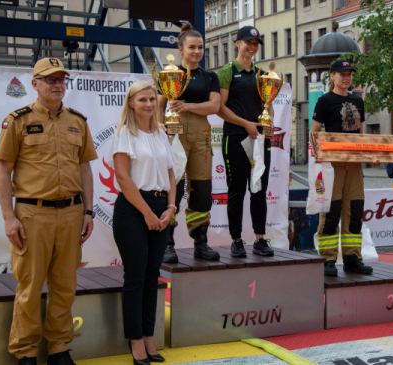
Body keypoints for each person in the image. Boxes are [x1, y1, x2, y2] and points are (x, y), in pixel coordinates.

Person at [0, 58, 97, 365]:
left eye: (61, 79)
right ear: (35, 84)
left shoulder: (77, 121)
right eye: (49, 79)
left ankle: (58, 349)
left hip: (71, 214)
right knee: (30, 285)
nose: (57, 84)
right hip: (32, 215)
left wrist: (89, 211)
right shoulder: (18, 120)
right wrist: (8, 218)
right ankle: (25, 352)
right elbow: (3, 171)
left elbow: (85, 169)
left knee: (65, 286)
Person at [108, 80, 176, 364]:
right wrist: (147, 213)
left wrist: (171, 207)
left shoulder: (161, 133)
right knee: (135, 278)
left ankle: (149, 335)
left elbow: (172, 174)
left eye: (152, 99)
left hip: (161, 208)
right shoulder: (125, 133)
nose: (148, 104)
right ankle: (135, 340)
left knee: (152, 277)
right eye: (142, 100)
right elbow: (123, 178)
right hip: (134, 210)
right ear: (131, 104)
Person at [158, 23, 221, 263]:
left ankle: (201, 244)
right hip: (175, 132)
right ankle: (167, 244)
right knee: (173, 184)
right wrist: (158, 126)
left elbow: (214, 106)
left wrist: (188, 106)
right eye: (191, 47)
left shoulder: (209, 77)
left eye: (200, 47)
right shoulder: (170, 72)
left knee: (202, 188)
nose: (196, 51)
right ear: (181, 48)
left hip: (201, 131)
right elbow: (160, 102)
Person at [311, 60, 376, 277]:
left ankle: (352, 258)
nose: (346, 78)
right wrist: (318, 156)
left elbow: (360, 133)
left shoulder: (358, 101)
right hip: (332, 165)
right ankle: (327, 259)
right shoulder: (324, 101)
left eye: (349, 74)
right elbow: (315, 133)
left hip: (355, 165)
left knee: (355, 210)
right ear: (332, 76)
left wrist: (371, 154)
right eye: (342, 74)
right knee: (331, 211)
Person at [217, 26, 274, 257]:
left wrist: (266, 124)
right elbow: (219, 108)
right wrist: (245, 124)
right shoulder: (227, 71)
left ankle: (260, 239)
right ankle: (236, 240)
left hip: (260, 138)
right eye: (248, 42)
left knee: (259, 189)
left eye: (256, 43)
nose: (252, 47)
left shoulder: (262, 74)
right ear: (237, 43)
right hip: (235, 137)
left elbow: (266, 106)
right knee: (237, 190)